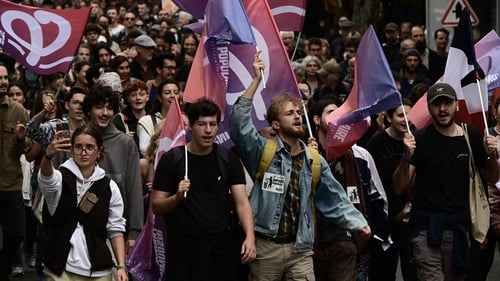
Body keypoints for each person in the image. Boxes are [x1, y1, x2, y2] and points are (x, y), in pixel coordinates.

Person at [230, 52, 370, 280]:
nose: (297, 116)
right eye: (289, 113)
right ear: (275, 124)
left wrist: (357, 222)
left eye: (298, 112)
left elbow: (334, 198)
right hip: (266, 248)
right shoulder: (262, 151)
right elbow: (238, 125)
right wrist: (255, 81)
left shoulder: (314, 159)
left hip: (301, 249)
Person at [393, 83, 500, 281]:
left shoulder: (471, 136)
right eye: (437, 104)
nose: (442, 109)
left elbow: (492, 176)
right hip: (425, 229)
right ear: (429, 108)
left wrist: (491, 155)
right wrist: (406, 157)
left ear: (456, 106)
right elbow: (399, 186)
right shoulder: (420, 139)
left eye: (447, 103)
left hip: (459, 229)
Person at [152, 98, 256, 280]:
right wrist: (176, 197)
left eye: (213, 124)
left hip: (220, 247)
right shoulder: (173, 159)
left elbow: (242, 203)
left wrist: (250, 236)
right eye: (201, 124)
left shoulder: (228, 159)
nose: (208, 130)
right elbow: (157, 206)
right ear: (190, 126)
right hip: (183, 249)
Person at [309, 98, 387, 281]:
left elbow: (366, 195)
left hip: (344, 239)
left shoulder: (352, 155)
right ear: (316, 120)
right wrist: (310, 158)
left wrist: (361, 233)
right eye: (330, 112)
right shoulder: (304, 153)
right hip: (313, 240)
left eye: (340, 113)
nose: (337, 117)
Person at [39, 125, 127, 281]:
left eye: (90, 147)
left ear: (99, 151)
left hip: (99, 269)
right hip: (62, 267)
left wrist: (121, 265)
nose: (83, 152)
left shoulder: (109, 187)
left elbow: (115, 229)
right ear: (72, 149)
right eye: (78, 147)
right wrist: (47, 156)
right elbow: (47, 179)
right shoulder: (60, 178)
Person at [82, 84, 143, 253]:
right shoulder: (77, 141)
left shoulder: (125, 143)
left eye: (109, 108)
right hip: (78, 231)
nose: (105, 113)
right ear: (88, 110)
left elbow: (134, 189)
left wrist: (134, 232)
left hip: (115, 230)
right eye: (99, 107)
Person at [366, 100, 417, 281]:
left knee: (413, 268)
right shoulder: (377, 142)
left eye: (409, 115)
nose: (405, 120)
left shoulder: (416, 139)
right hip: (385, 216)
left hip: (412, 216)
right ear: (388, 117)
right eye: (400, 115)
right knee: (384, 270)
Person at [0, 63, 34, 281]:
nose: (3, 82)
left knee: (15, 234)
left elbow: (29, 149)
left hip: (11, 183)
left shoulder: (18, 110)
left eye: (5, 77)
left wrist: (22, 138)